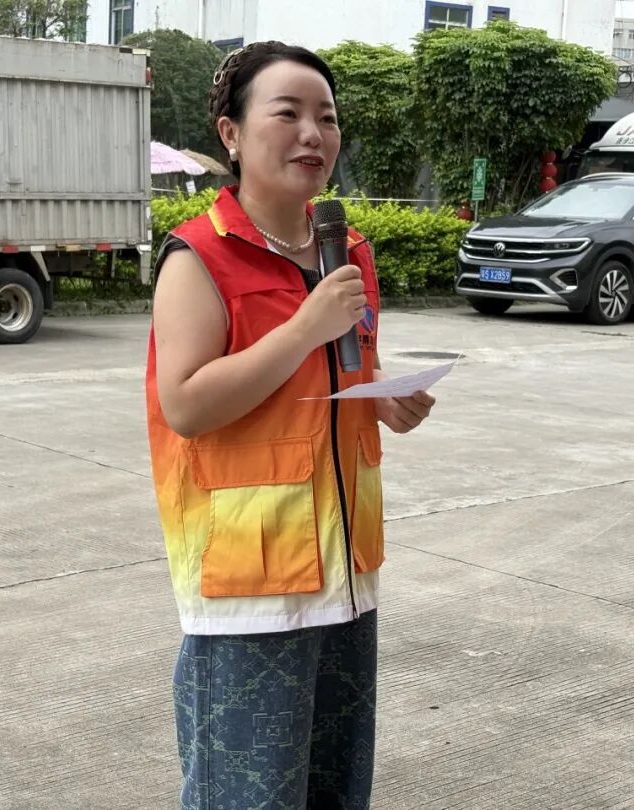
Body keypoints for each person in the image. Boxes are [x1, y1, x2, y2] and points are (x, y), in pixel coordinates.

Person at [145, 41, 436, 808]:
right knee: (248, 795)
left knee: (335, 789)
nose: (314, 133)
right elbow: (187, 405)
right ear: (232, 134)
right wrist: (304, 327)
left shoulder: (348, 252)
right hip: (250, 583)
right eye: (289, 113)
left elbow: (349, 374)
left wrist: (387, 400)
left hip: (347, 574)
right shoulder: (198, 259)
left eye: (327, 118)